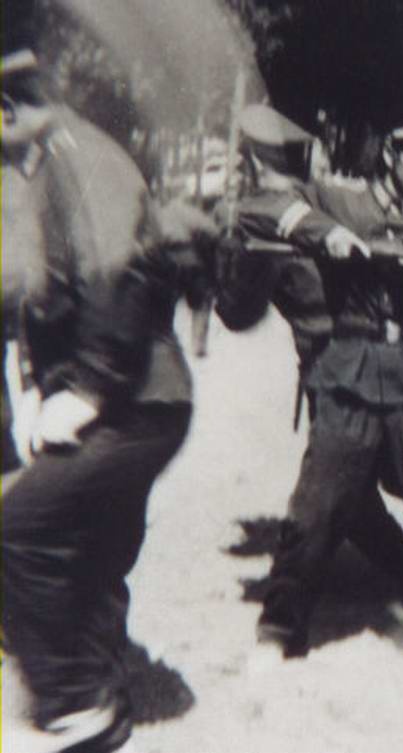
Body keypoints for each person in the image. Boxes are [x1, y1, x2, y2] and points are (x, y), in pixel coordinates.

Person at [234, 101, 403, 684]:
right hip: (349, 370)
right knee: (315, 511)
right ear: (390, 156)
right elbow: (260, 210)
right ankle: (279, 632)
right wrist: (325, 233)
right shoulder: (339, 201)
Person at [1, 41, 205, 752]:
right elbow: (36, 292)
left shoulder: (82, 158)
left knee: (21, 527)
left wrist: (86, 390)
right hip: (123, 396)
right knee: (91, 542)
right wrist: (34, 386)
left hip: (137, 399)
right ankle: (100, 696)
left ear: (6, 109)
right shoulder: (44, 165)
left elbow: (116, 276)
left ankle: (73, 707)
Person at [215, 103, 403, 614]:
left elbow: (237, 312)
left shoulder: (261, 219)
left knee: (348, 493)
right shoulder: (334, 201)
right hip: (394, 360)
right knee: (387, 477)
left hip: (333, 371)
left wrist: (222, 263)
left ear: (251, 163)